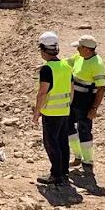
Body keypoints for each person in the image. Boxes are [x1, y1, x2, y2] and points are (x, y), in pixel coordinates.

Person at [32, 32, 73, 186]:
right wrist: (68, 105)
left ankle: (55, 175)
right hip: (64, 111)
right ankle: (63, 172)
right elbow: (71, 89)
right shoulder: (66, 66)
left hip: (51, 112)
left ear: (43, 50)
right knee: (63, 142)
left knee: (51, 143)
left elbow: (42, 93)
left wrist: (37, 113)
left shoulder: (47, 69)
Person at [66, 35, 105, 173]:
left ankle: (87, 162)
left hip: (86, 103)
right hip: (73, 100)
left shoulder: (97, 64)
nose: (77, 49)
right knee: (68, 127)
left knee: (84, 131)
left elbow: (101, 88)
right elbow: (66, 63)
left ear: (87, 49)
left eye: (79, 47)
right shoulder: (79, 57)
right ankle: (77, 156)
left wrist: (94, 108)